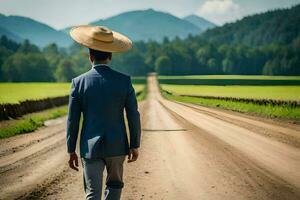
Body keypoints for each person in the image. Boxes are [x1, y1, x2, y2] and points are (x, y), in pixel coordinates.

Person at [66, 25, 141, 200]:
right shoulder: (124, 81)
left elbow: (72, 120)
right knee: (115, 187)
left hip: (90, 149)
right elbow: (133, 115)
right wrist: (134, 144)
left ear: (90, 55)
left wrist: (71, 150)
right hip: (117, 146)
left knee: (92, 193)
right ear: (111, 55)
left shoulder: (78, 83)